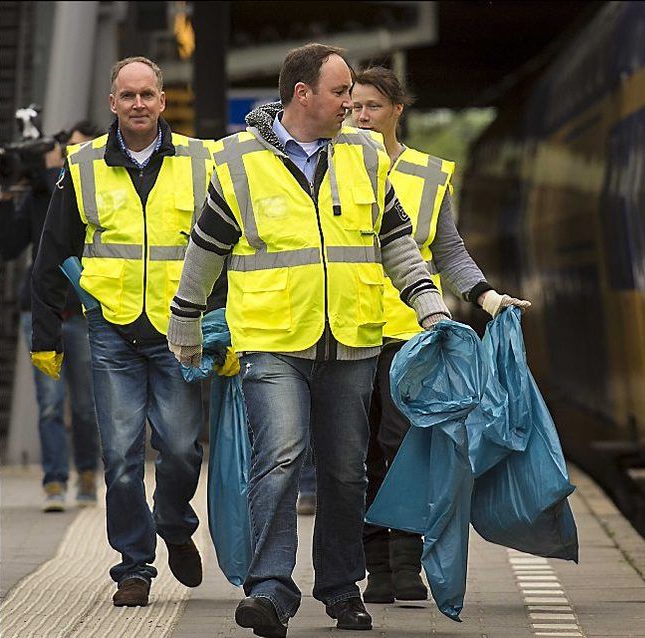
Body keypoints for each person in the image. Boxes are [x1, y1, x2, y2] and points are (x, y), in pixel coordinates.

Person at [165, 44, 452, 637]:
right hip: (273, 340)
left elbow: (396, 241)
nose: (352, 103)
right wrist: (185, 323)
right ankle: (270, 590)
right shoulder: (237, 161)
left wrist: (430, 308)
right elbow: (205, 250)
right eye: (341, 91)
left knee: (346, 472)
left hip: (350, 340)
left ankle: (342, 588)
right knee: (281, 459)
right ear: (303, 94)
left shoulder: (365, 158)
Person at [30, 56, 219, 608]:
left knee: (183, 450)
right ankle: (133, 566)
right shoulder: (83, 164)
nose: (138, 104)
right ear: (113, 103)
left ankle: (176, 525)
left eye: (148, 95)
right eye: (127, 96)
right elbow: (52, 251)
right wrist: (45, 335)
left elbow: (227, 251)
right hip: (110, 331)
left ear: (163, 100)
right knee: (120, 458)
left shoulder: (200, 161)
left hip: (177, 330)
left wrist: (223, 328)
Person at [349, 66, 531, 603]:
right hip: (345, 329)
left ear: (398, 110)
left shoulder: (428, 175)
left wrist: (486, 297)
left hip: (412, 334)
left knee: (402, 449)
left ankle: (404, 562)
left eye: (373, 107)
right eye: (354, 107)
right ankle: (373, 567)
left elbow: (447, 249)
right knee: (353, 455)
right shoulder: (329, 167)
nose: (361, 117)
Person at [0, 121, 101, 512]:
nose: (75, 157)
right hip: (40, 310)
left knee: (86, 404)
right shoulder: (46, 191)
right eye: (69, 148)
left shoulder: (101, 191)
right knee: (50, 403)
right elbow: (9, 247)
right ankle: (56, 481)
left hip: (84, 310)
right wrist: (6, 197)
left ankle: (88, 474)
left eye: (84, 150)